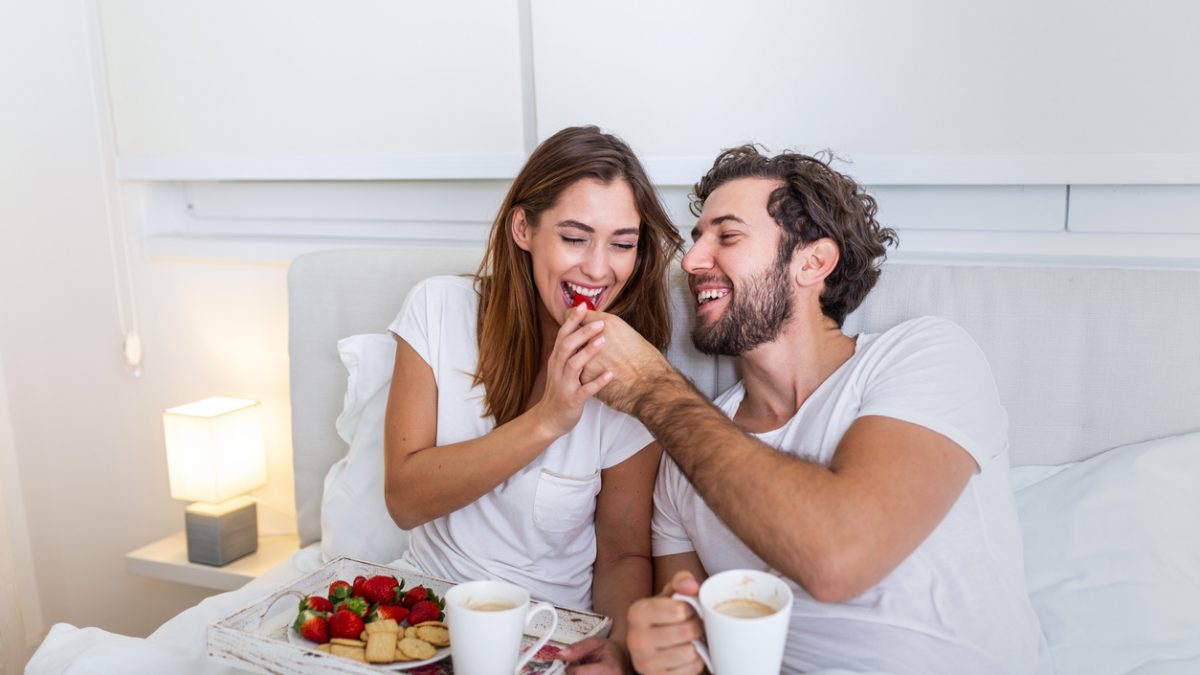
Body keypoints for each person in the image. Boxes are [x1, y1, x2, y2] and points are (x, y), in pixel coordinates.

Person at [566, 146, 1053, 674]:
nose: (691, 261)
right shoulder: (684, 456)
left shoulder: (923, 357)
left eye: (726, 236)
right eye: (696, 239)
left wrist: (654, 390)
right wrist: (661, 647)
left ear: (813, 262)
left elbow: (840, 557)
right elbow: (692, 645)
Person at [383, 125, 683, 668]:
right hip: (424, 617)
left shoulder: (636, 373)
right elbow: (404, 499)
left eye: (622, 244)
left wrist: (614, 650)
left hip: (548, 635)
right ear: (524, 227)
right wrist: (548, 420)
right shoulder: (438, 310)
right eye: (575, 237)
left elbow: (623, 552)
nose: (598, 268)